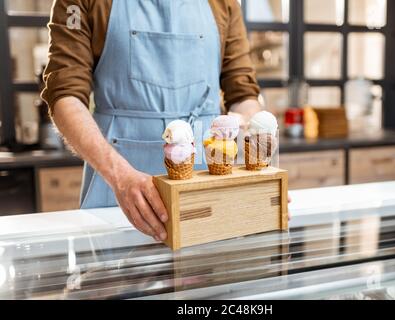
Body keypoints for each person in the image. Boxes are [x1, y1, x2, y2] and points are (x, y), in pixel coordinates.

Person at [41, 0, 263, 241]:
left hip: (203, 186)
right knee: (114, 275)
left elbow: (243, 96)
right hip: (117, 181)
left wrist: (258, 169)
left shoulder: (224, 3)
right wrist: (120, 177)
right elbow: (65, 95)